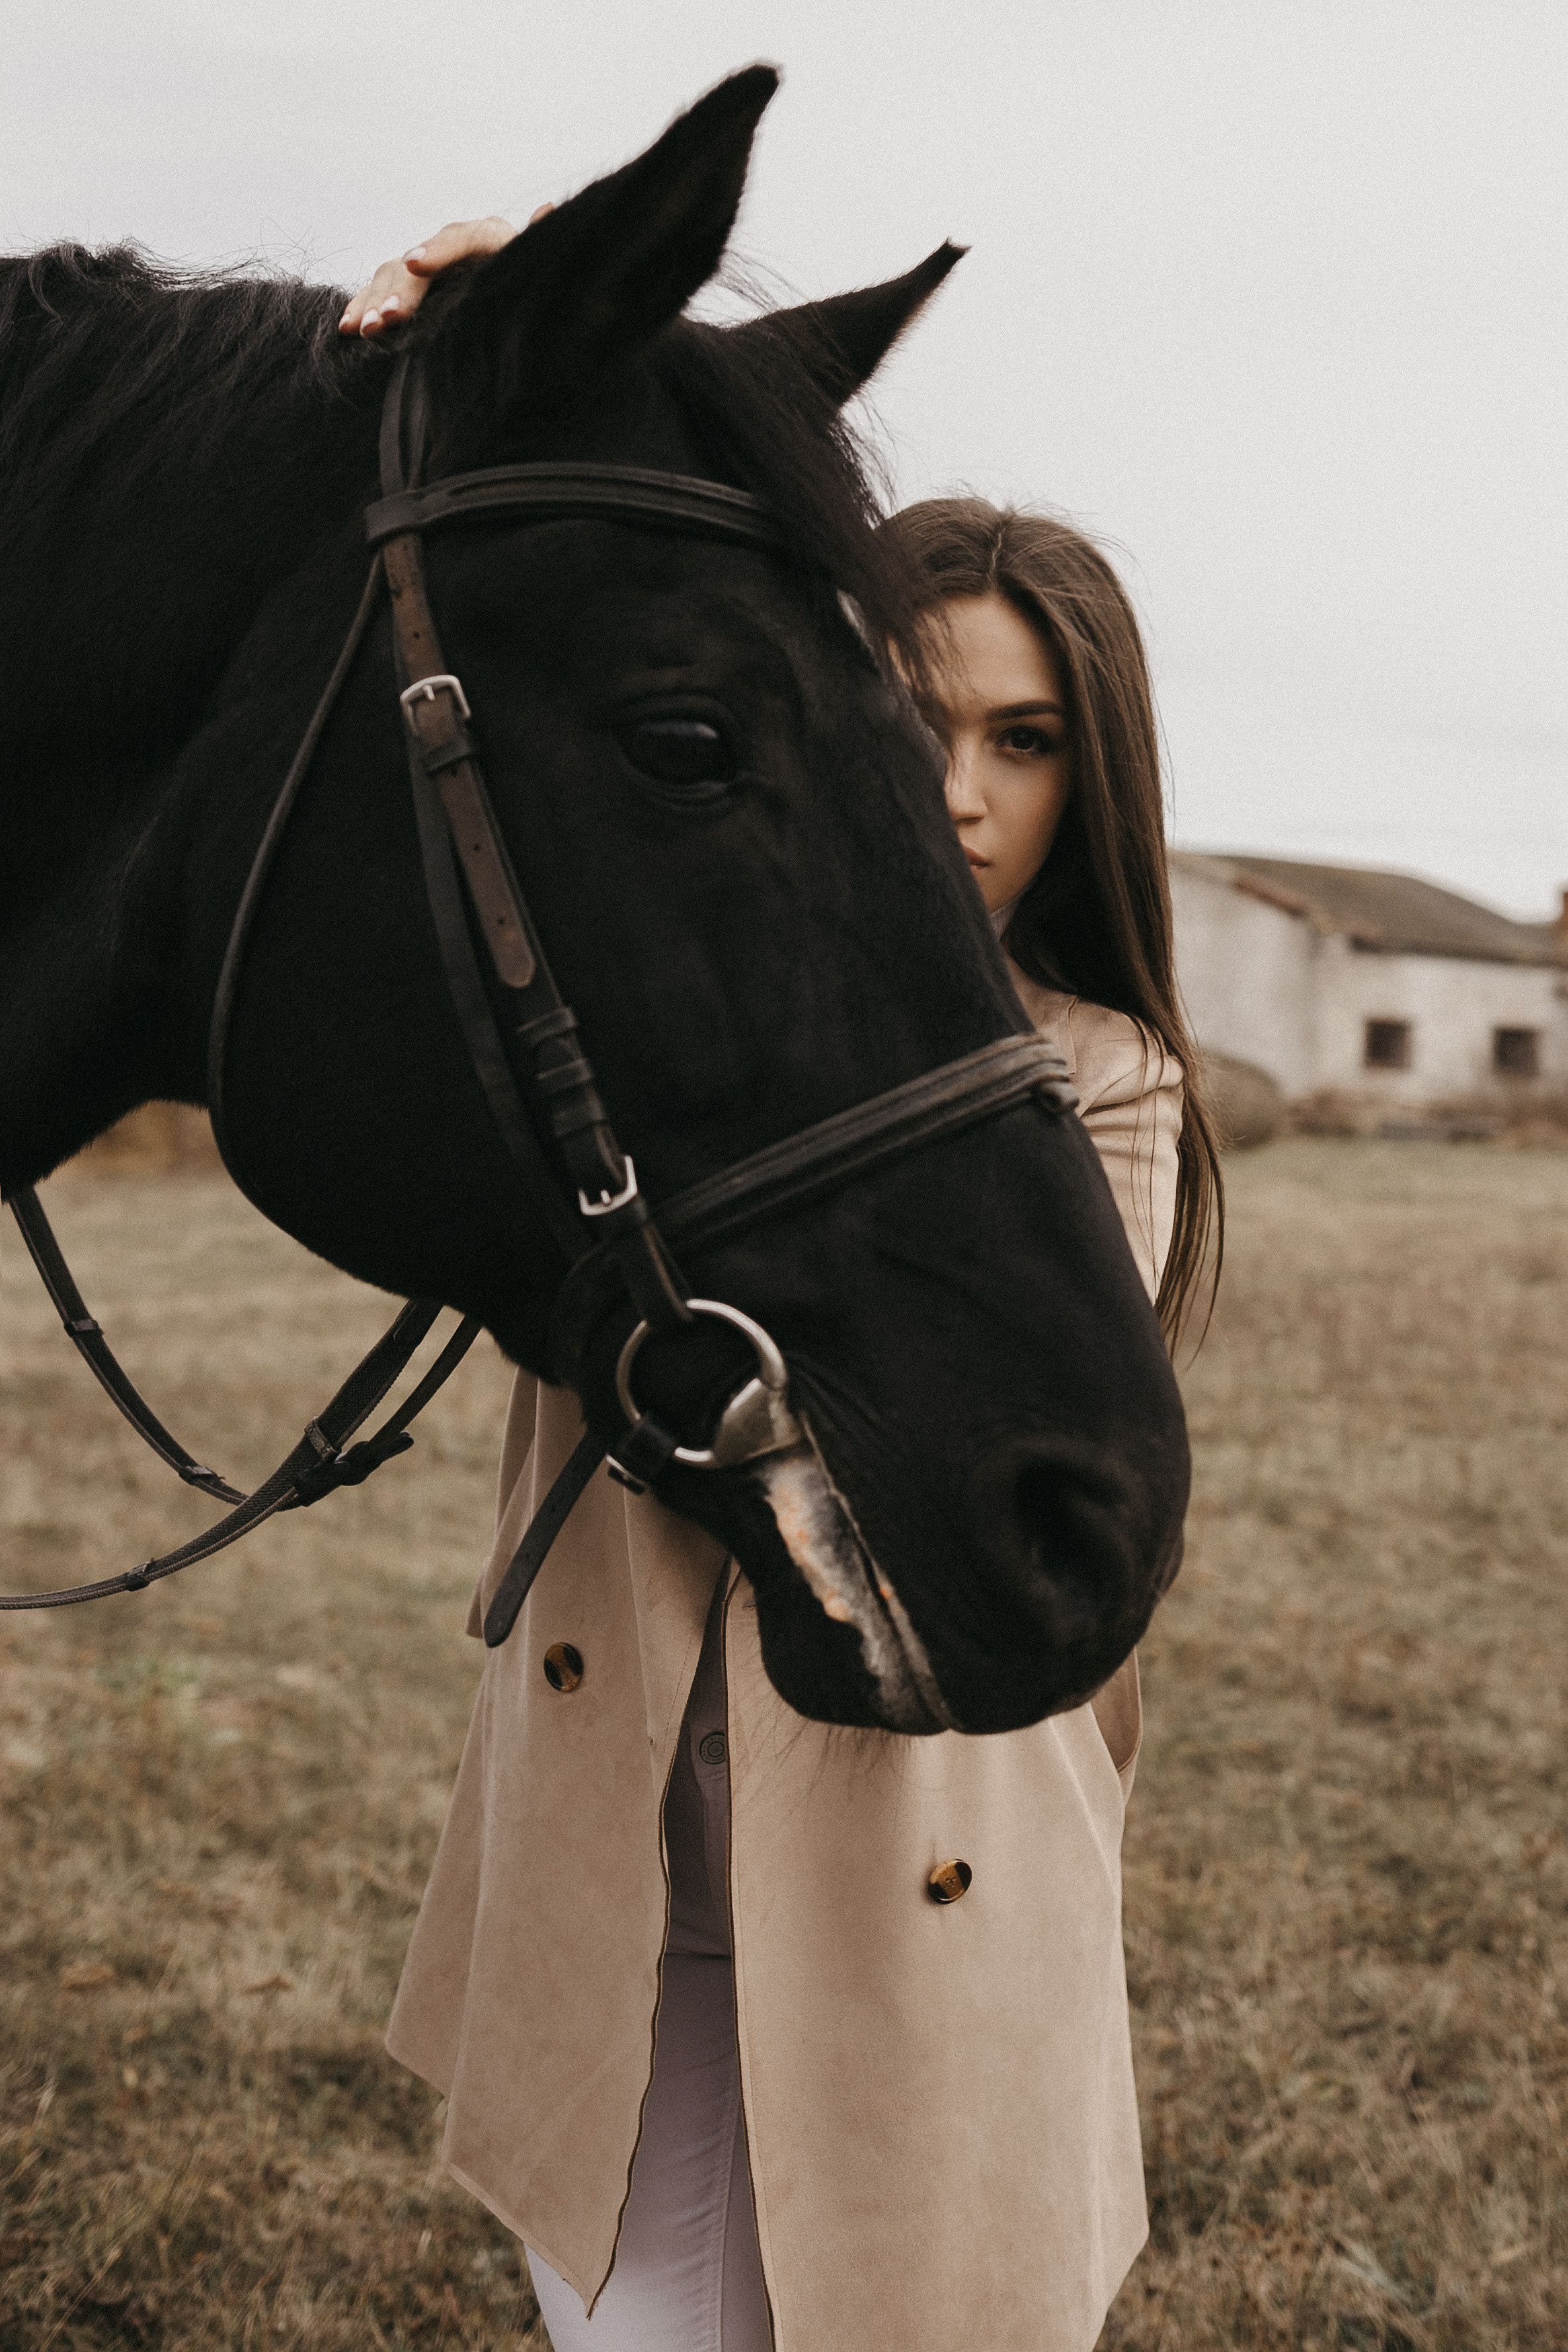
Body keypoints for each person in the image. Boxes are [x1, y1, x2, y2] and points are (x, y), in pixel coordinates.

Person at [350, 221, 1221, 2352]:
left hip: (900, 1846)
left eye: (1019, 740)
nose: (957, 790)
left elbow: (866, 1400)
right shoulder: (659, 1018)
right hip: (624, 1824)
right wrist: (504, 331)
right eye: (914, 720)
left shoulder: (1096, 1089)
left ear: (1081, 773)